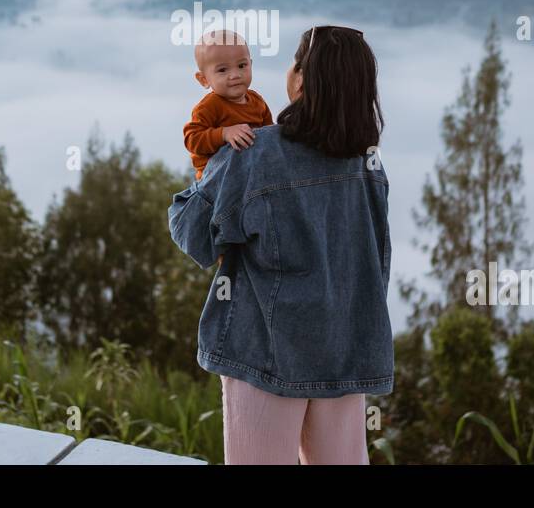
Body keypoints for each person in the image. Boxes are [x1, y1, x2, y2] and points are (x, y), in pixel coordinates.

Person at [168, 24, 392, 464]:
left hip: (264, 356)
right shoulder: (367, 163)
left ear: (303, 80)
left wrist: (206, 172)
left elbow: (194, 235)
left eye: (294, 60)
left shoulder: (252, 154)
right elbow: (376, 261)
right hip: (345, 353)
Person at [182, 28, 273, 182]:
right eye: (223, 70)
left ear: (250, 64)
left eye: (242, 66)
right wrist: (223, 134)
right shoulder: (210, 106)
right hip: (215, 180)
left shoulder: (257, 101)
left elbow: (271, 135)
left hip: (251, 174)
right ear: (204, 79)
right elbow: (192, 139)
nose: (235, 75)